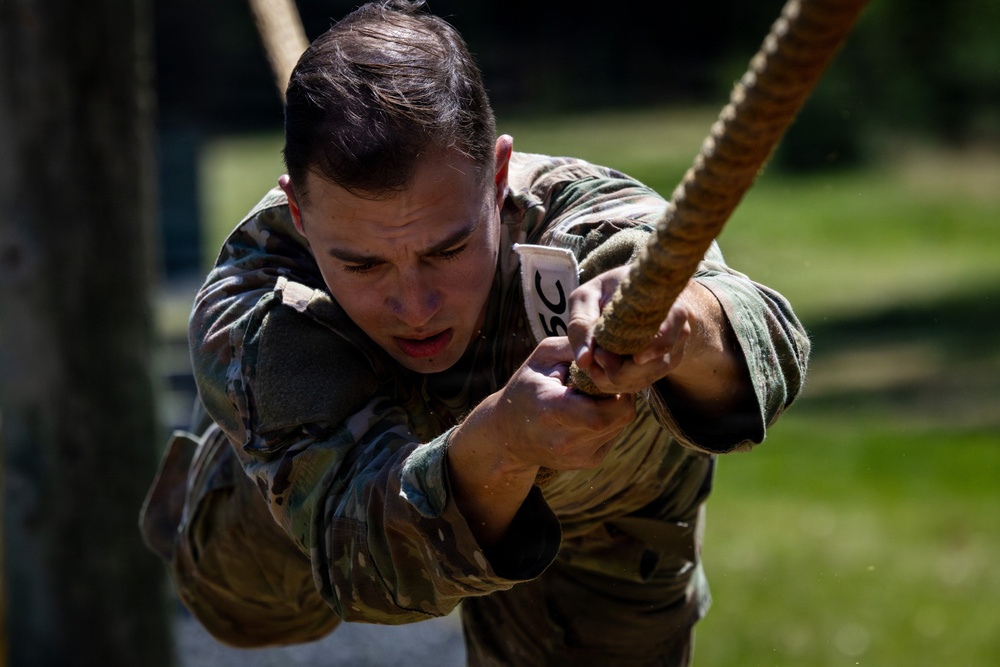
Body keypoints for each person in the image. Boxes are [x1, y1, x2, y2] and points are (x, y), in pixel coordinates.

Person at [139, 1, 810, 664]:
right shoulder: (261, 299)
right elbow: (367, 566)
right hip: (312, 510)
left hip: (600, 516)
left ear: (498, 176)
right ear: (299, 213)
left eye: (447, 250)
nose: (415, 306)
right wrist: (504, 443)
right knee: (249, 602)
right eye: (364, 264)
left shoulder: (588, 221)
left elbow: (766, 339)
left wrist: (682, 322)